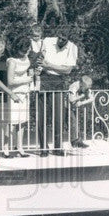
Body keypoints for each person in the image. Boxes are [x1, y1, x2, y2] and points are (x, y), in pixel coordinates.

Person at [32, 26, 79, 155]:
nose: (61, 41)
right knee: (42, 115)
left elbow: (68, 70)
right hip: (44, 78)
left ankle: (58, 147)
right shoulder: (47, 41)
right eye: (60, 38)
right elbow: (40, 60)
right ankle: (43, 148)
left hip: (59, 80)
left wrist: (50, 65)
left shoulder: (73, 48)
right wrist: (42, 67)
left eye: (64, 39)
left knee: (58, 115)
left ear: (69, 39)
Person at [2, 41, 33, 158]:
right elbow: (10, 81)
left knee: (22, 122)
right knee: (11, 122)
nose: (27, 51)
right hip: (14, 94)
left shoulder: (26, 58)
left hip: (25, 93)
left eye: (28, 49)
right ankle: (5, 148)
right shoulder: (12, 61)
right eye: (25, 50)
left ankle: (20, 147)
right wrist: (26, 80)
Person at [67, 74, 94, 148]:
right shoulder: (74, 86)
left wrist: (82, 103)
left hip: (77, 107)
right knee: (73, 123)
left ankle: (79, 141)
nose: (86, 90)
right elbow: (71, 99)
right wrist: (80, 97)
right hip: (68, 106)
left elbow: (92, 98)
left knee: (79, 123)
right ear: (82, 84)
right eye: (85, 88)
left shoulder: (86, 87)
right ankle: (74, 142)